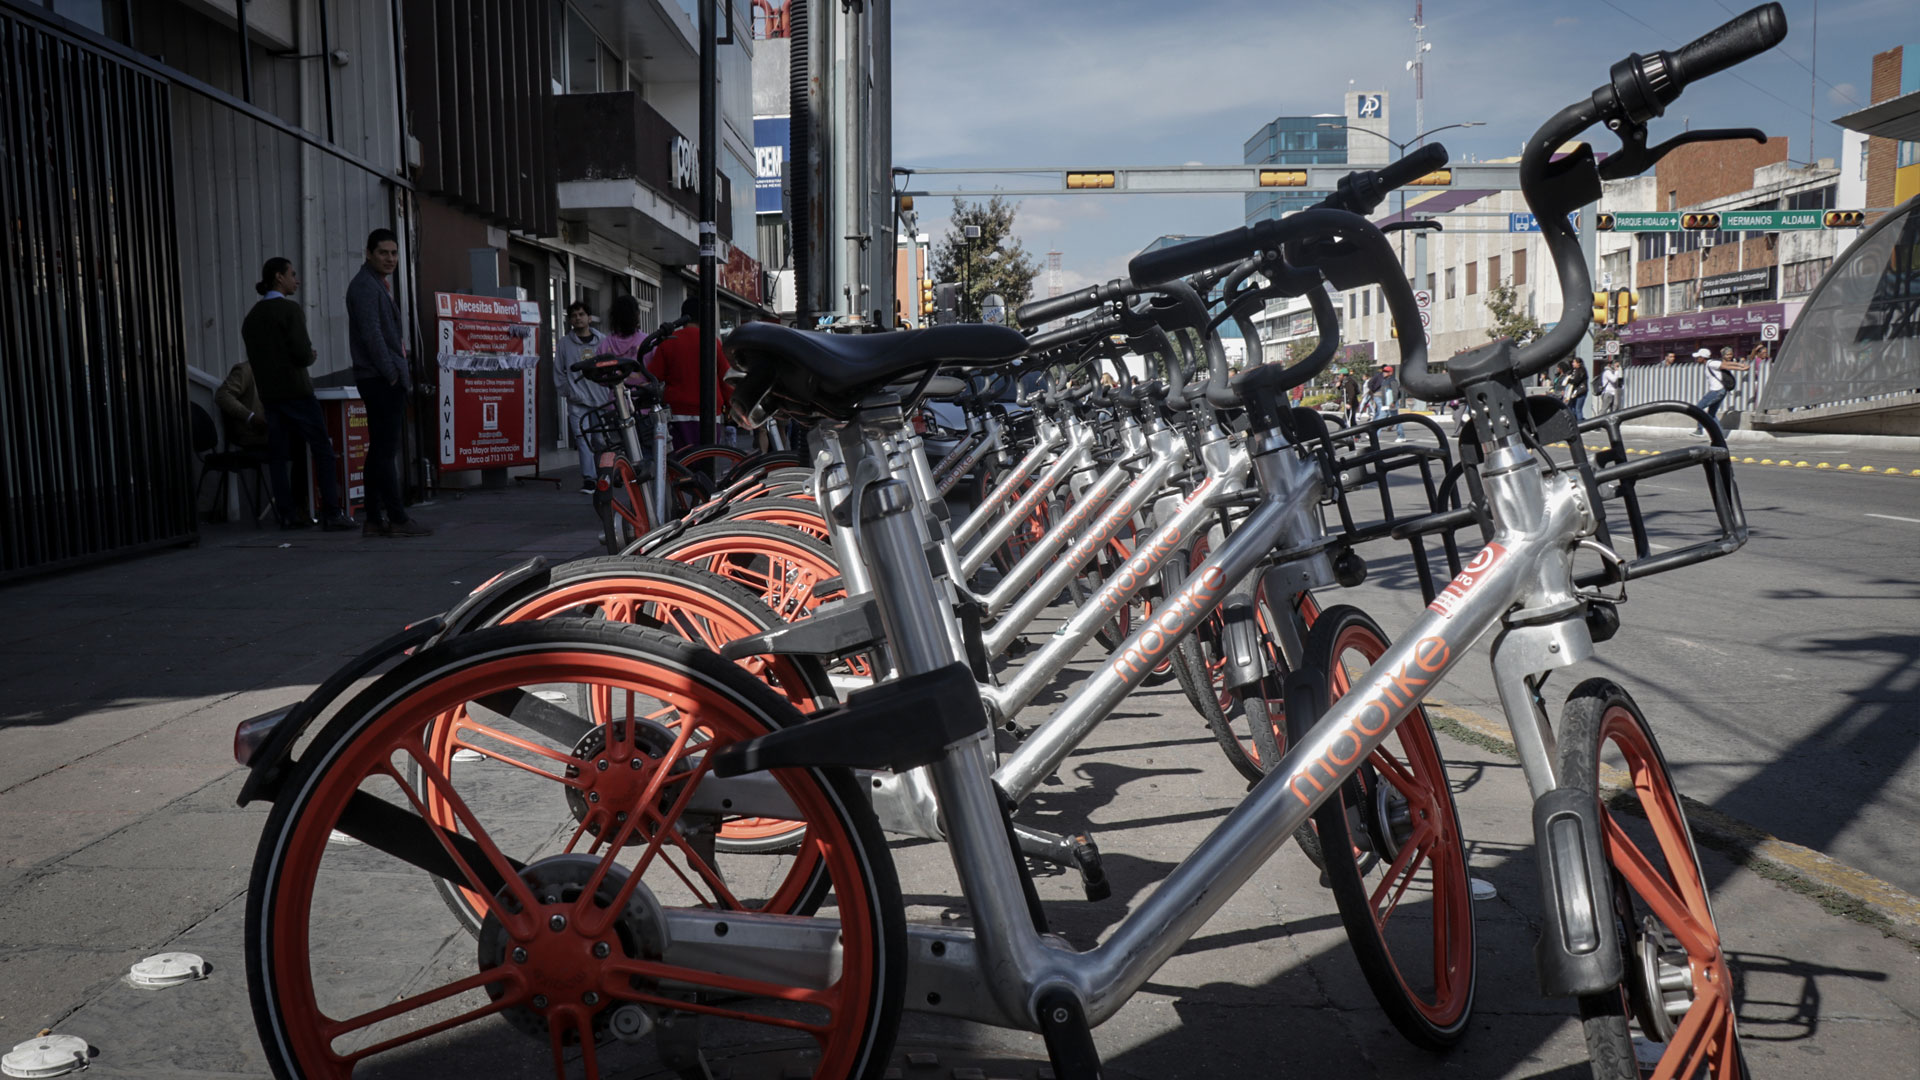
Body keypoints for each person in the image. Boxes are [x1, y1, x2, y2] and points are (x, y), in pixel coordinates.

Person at [243, 257, 352, 532]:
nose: (297, 280)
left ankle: (288, 514)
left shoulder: (252, 318)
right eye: (292, 274)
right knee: (322, 450)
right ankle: (332, 512)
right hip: (297, 391)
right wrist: (311, 355)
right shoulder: (289, 310)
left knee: (280, 456)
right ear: (278, 277)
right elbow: (302, 354)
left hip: (270, 395)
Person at [346, 228, 430, 537]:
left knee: (379, 451)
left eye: (394, 253)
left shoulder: (375, 284)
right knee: (385, 451)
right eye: (383, 253)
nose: (390, 259)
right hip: (380, 378)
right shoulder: (365, 287)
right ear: (369, 254)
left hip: (380, 377)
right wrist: (392, 374)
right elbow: (373, 336)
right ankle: (396, 517)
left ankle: (374, 519)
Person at [645, 297, 733, 450]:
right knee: (707, 458)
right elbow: (726, 379)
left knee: (681, 459)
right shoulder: (713, 342)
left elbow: (653, 377)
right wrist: (731, 406)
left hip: (677, 412)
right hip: (710, 412)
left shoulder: (668, 342)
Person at [554, 300, 612, 494]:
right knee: (582, 440)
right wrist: (569, 392)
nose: (577, 318)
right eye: (573, 315)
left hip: (601, 400)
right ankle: (589, 479)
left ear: (589, 318)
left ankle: (604, 476)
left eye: (581, 314)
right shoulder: (564, 343)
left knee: (601, 441)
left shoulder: (603, 341)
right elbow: (559, 372)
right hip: (578, 402)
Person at [1692, 346, 1750, 436]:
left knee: (1698, 408)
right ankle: (1720, 435)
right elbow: (1727, 364)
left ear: (1703, 357)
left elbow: (1726, 366)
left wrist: (1741, 368)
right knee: (1711, 414)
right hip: (1720, 391)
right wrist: (1740, 365)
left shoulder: (1711, 363)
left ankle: (1699, 430)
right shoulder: (1711, 363)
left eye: (1698, 357)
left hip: (1716, 391)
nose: (1697, 359)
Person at [214, 360, 269, 453]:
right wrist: (250, 417)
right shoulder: (246, 370)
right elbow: (222, 395)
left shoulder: (279, 371)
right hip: (256, 436)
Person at [1565, 356, 1590, 421]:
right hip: (1574, 392)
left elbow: (1576, 380)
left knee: (1578, 409)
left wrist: (1569, 380)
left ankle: (1580, 423)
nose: (1572, 363)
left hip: (1580, 392)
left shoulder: (1581, 370)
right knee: (1572, 408)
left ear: (1578, 363)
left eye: (1574, 362)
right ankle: (1575, 421)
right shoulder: (1574, 371)